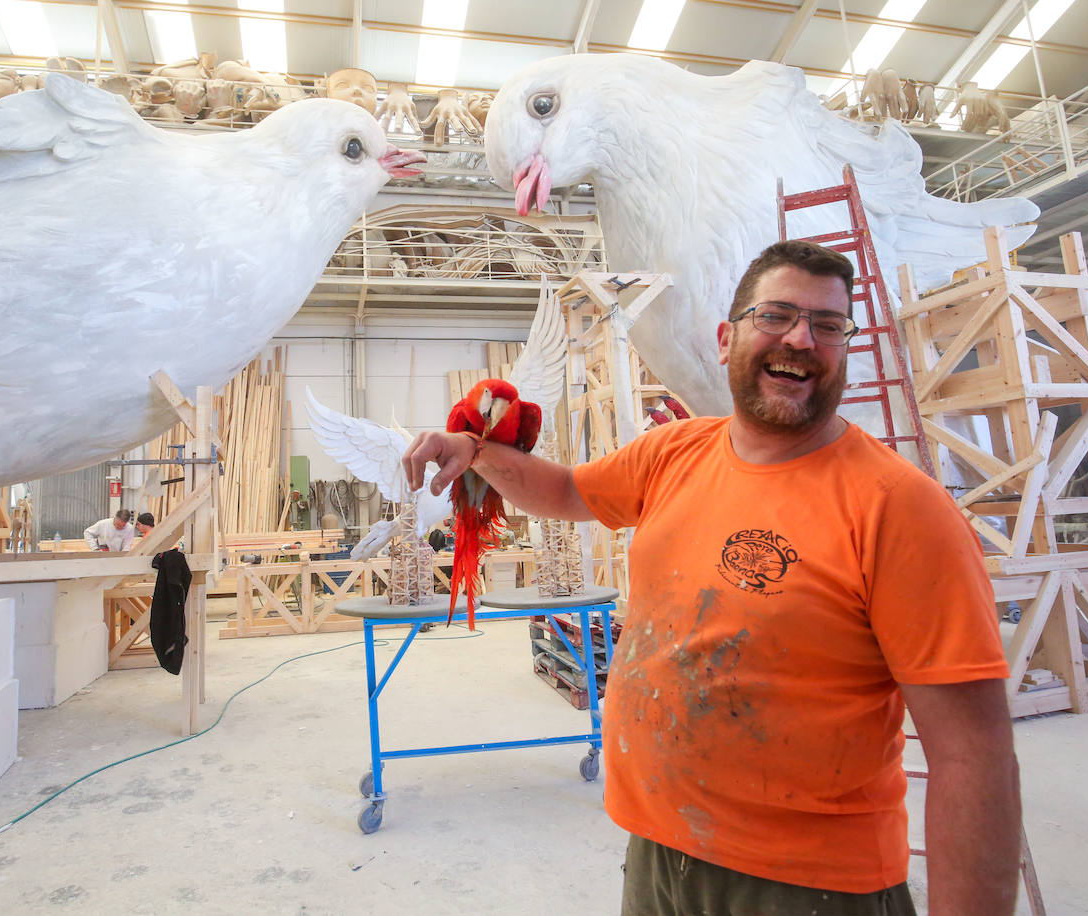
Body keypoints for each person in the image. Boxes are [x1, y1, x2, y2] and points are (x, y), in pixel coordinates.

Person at [402, 240, 1020, 916]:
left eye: (828, 325)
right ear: (727, 339)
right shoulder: (676, 452)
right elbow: (569, 492)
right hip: (659, 849)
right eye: (777, 315)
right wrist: (479, 452)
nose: (801, 339)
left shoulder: (900, 507)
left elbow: (971, 754)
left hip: (808, 885)